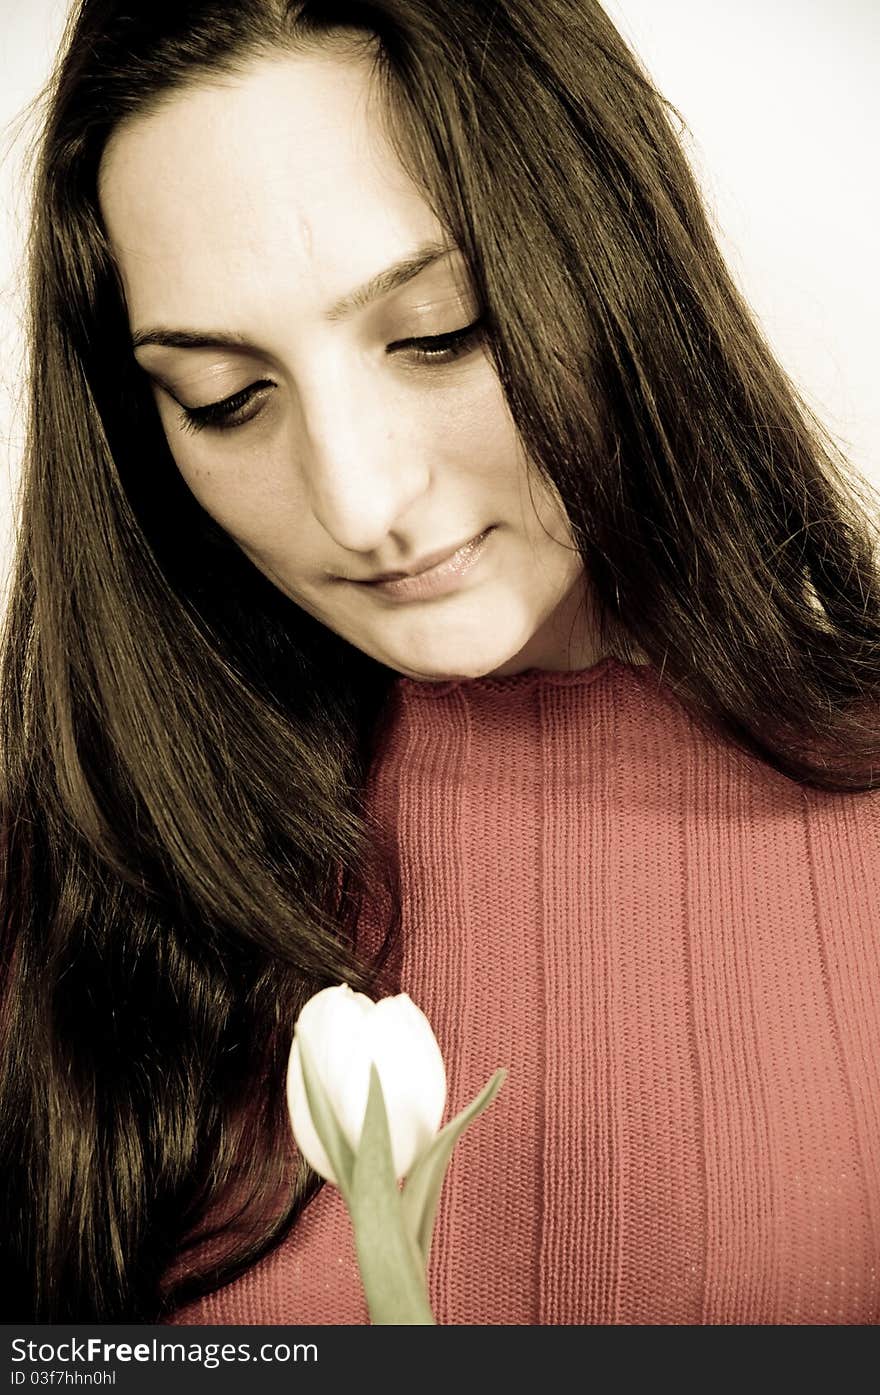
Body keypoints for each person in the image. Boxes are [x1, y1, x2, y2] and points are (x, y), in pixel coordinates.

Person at [1, 0, 879, 1327]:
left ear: (614, 266)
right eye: (227, 399)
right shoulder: (75, 878)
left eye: (440, 333)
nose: (358, 504)